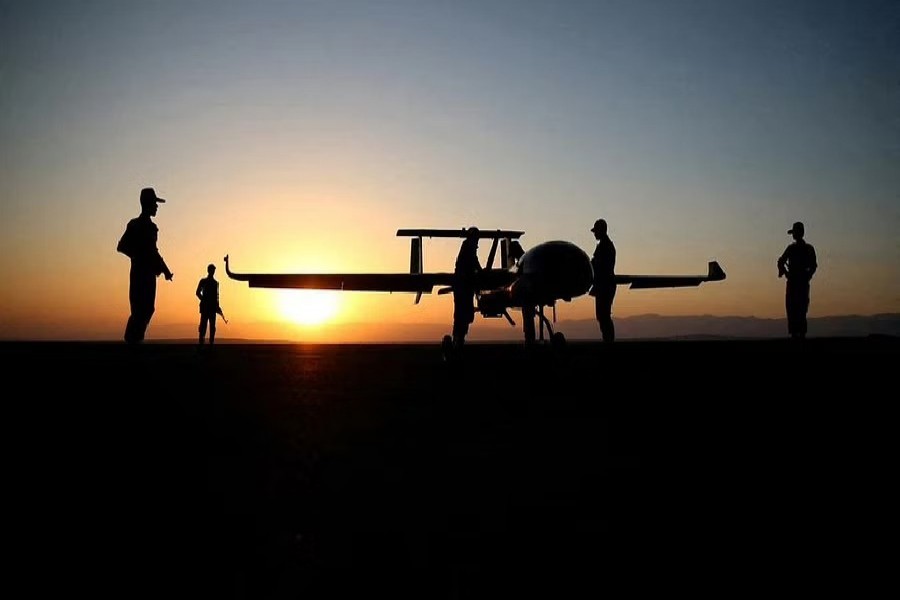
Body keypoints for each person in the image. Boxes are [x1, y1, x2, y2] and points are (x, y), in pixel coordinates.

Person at [116, 187, 174, 344]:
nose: (156, 207)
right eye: (154, 203)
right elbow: (122, 246)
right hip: (141, 274)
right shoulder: (139, 226)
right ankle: (132, 341)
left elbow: (153, 252)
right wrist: (139, 257)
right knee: (140, 310)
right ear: (147, 204)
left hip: (147, 274)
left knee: (145, 309)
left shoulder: (148, 227)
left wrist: (164, 270)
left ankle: (135, 341)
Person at [777, 221, 817, 339]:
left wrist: (785, 273)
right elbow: (813, 266)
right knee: (800, 308)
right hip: (800, 282)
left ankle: (796, 334)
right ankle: (799, 334)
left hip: (795, 282)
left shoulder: (792, 248)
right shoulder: (807, 248)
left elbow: (780, 262)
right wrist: (807, 276)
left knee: (795, 308)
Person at [452, 226, 483, 350]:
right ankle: (458, 339)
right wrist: (480, 272)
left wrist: (479, 272)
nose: (477, 241)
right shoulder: (468, 248)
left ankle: (459, 339)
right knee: (462, 314)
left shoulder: (468, 248)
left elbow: (473, 262)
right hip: (463, 286)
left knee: (464, 314)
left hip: (465, 286)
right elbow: (472, 262)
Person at [589, 218, 617, 343]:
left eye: (596, 231)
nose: (594, 233)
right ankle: (608, 340)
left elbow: (598, 266)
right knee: (603, 315)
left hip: (604, 285)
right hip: (605, 285)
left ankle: (608, 341)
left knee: (603, 316)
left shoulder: (605, 247)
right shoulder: (605, 245)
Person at [196, 263, 220, 346]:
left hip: (212, 308)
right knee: (203, 326)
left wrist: (217, 307)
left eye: (213, 270)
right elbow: (197, 293)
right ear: (209, 270)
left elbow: (217, 296)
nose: (212, 272)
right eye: (212, 270)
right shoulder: (203, 281)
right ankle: (201, 342)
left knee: (212, 327)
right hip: (206, 307)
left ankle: (211, 343)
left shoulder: (215, 283)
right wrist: (204, 300)